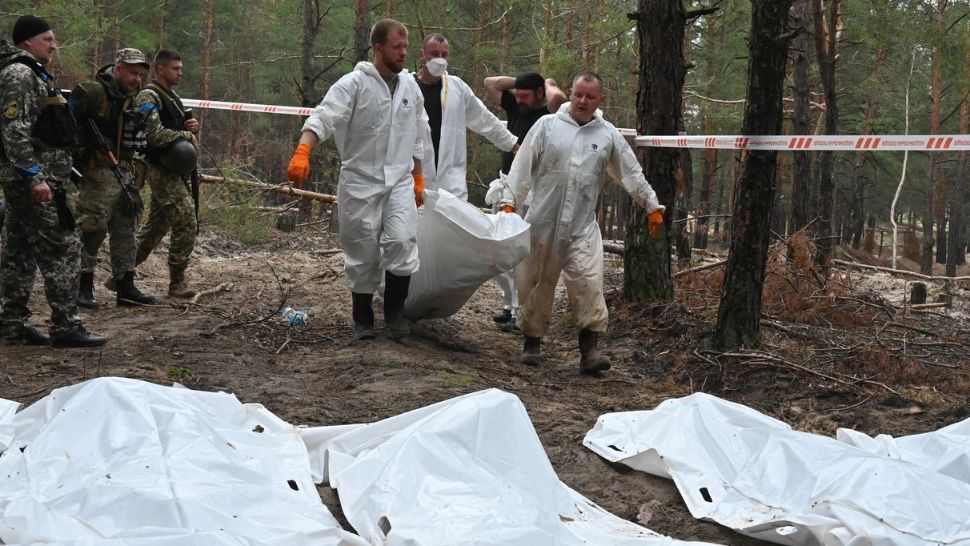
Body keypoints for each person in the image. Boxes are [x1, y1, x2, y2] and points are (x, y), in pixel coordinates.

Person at [500, 73, 665, 375]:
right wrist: (509, 200)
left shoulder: (607, 135)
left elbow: (631, 172)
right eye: (578, 94)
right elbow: (522, 164)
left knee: (589, 284)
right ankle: (532, 345)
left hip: (582, 228)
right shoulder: (547, 126)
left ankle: (589, 353)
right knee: (534, 282)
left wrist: (652, 205)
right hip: (542, 223)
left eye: (590, 97)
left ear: (601, 100)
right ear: (571, 94)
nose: (582, 101)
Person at [286, 19, 426, 341]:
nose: (404, 53)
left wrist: (418, 176)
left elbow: (419, 133)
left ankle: (395, 314)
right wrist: (303, 149)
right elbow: (324, 116)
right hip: (360, 180)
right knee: (362, 247)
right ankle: (363, 318)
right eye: (397, 47)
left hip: (399, 180)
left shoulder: (410, 87)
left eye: (405, 47)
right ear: (378, 48)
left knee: (402, 240)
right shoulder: (353, 83)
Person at [0, 15, 106, 347]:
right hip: (34, 181)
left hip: (33, 179)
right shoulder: (19, 74)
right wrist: (35, 177)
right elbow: (13, 131)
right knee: (63, 246)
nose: (54, 45)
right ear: (27, 41)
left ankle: (10, 324)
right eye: (47, 39)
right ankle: (65, 326)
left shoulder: (33, 73)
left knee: (18, 251)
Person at [71, 48, 156, 308]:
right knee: (92, 227)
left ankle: (125, 284)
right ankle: (82, 286)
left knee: (126, 227)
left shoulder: (132, 98)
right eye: (132, 73)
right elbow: (66, 126)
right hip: (96, 170)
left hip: (126, 170)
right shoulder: (93, 92)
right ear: (118, 69)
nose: (136, 80)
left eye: (140, 75)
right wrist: (76, 164)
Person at [483, 71, 566, 332]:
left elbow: (559, 97)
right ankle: (509, 305)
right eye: (517, 95)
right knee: (499, 249)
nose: (519, 99)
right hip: (507, 185)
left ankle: (523, 312)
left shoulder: (550, 115)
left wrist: (549, 82)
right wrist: (519, 83)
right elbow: (490, 84)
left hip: (535, 189)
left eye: (525, 95)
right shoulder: (515, 106)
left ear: (540, 93)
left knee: (525, 254)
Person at [414, 34, 516, 201]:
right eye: (434, 53)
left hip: (452, 184)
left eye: (444, 54)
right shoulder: (408, 88)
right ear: (422, 54)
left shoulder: (457, 88)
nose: (440, 59)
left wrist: (512, 143)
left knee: (452, 225)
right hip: (417, 179)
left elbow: (484, 119)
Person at [133, 49, 200, 299]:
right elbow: (153, 134)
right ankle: (177, 281)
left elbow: (172, 129)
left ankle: (121, 274)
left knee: (155, 228)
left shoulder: (171, 97)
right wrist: (186, 135)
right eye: (175, 68)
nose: (180, 72)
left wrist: (189, 126)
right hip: (159, 169)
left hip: (173, 170)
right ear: (160, 69)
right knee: (186, 220)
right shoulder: (148, 96)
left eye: (181, 68)